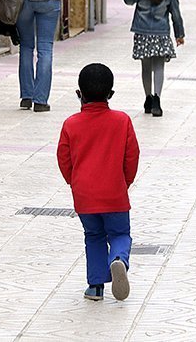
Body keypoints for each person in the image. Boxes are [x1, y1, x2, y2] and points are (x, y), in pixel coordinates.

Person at [57, 63, 140, 302]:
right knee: (120, 233)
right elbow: (131, 156)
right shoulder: (122, 121)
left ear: (79, 94)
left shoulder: (71, 124)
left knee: (93, 236)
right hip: (115, 192)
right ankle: (118, 259)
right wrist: (125, 182)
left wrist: (74, 182)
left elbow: (63, 158)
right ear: (111, 94)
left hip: (85, 197)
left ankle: (95, 287)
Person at [123, 0, 185, 117]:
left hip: (142, 33)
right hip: (161, 33)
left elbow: (127, 0)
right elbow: (175, 14)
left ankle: (148, 99)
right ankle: (157, 99)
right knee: (159, 67)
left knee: (146, 67)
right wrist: (180, 34)